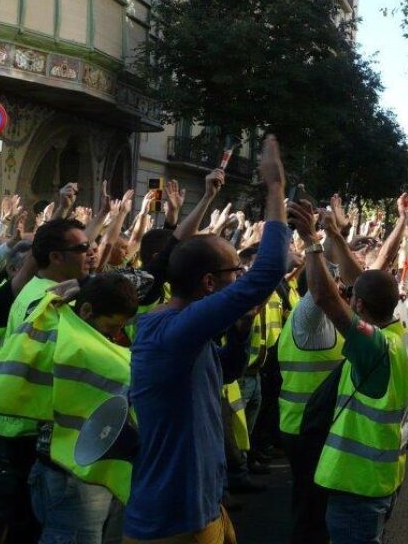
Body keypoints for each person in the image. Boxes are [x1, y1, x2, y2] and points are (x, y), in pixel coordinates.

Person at [123, 136, 289, 543]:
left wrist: (241, 330)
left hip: (203, 504)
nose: (242, 277)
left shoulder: (186, 330)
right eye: (236, 270)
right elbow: (268, 273)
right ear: (209, 282)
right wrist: (275, 189)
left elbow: (226, 370)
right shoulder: (176, 331)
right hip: (175, 519)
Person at [295, 198, 408, 544]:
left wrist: (312, 242)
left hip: (357, 485)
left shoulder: (374, 347)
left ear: (358, 305)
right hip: (378, 479)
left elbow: (325, 297)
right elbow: (364, 278)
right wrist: (335, 234)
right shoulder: (395, 333)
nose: (346, 295)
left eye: (352, 296)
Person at [0, 216, 97, 544]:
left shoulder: (43, 290)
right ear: (55, 257)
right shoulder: (44, 300)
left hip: (22, 422)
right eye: (82, 247)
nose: (90, 252)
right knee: (24, 523)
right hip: (25, 428)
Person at [28, 272, 139, 544]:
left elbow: (147, 279)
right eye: (111, 326)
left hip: (74, 470)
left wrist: (81, 282)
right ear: (87, 310)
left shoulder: (59, 325)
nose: (117, 335)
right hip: (72, 477)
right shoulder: (69, 343)